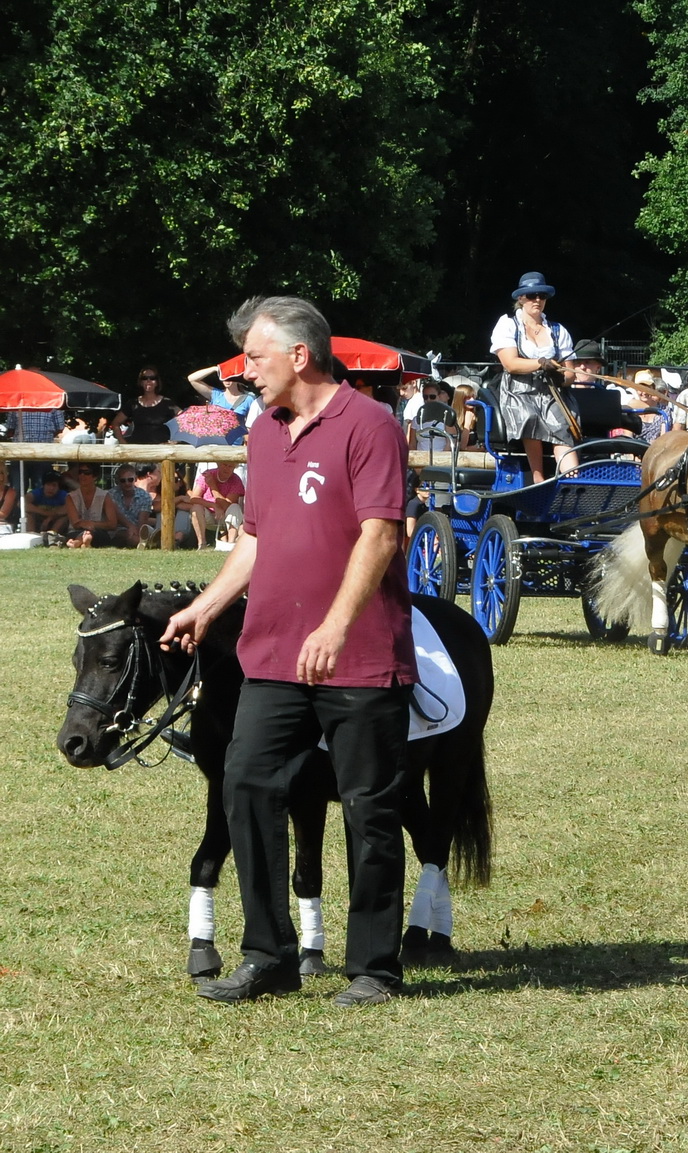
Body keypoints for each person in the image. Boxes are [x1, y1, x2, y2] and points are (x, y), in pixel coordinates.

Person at [162, 295, 415, 1007]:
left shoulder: (370, 425)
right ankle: (267, 953)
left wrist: (334, 626)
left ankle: (373, 966)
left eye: (257, 357)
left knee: (369, 807)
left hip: (357, 653)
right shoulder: (264, 433)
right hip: (269, 653)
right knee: (245, 783)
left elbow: (381, 535)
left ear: (300, 355)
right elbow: (256, 536)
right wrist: (207, 608)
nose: (245, 372)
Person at [489, 271, 580, 482]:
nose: (537, 300)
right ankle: (538, 479)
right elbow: (510, 363)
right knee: (530, 416)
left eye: (542, 295)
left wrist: (560, 378)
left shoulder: (558, 331)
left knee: (561, 424)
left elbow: (570, 374)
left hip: (553, 393)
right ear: (521, 299)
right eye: (531, 296)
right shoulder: (509, 325)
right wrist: (540, 363)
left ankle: (573, 481)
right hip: (519, 391)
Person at [177, 460, 245, 549]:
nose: (227, 468)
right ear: (219, 464)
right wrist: (213, 505)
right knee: (196, 508)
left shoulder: (236, 480)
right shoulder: (207, 475)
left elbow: (227, 505)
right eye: (225, 464)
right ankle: (202, 544)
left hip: (226, 516)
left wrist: (213, 487)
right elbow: (194, 498)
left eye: (230, 466)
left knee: (235, 507)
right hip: (208, 514)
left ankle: (230, 543)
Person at [64, 464, 120, 548]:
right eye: (80, 472)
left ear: (95, 476)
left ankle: (78, 542)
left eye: (87, 473)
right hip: (75, 532)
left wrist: (92, 524)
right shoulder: (70, 497)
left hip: (98, 532)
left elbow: (112, 524)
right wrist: (87, 527)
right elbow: (75, 523)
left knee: (93, 533)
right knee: (84, 533)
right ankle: (85, 541)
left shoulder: (105, 496)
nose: (82, 475)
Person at [124, 366, 180, 445]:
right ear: (140, 382)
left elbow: (184, 419)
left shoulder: (167, 403)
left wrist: (176, 440)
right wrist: (123, 444)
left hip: (161, 451)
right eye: (144, 378)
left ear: (157, 382)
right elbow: (116, 423)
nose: (148, 380)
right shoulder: (133, 403)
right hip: (137, 451)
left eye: (152, 378)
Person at [187, 364, 258, 423]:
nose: (226, 380)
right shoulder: (216, 395)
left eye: (230, 377)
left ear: (237, 379)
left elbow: (254, 423)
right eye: (224, 377)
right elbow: (192, 379)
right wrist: (215, 368)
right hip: (214, 438)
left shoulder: (248, 399)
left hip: (238, 439)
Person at [109, 465, 157, 546]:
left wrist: (136, 531)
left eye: (130, 480)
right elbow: (115, 515)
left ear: (135, 478)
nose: (127, 483)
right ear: (118, 481)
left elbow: (142, 521)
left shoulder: (144, 496)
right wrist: (130, 527)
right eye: (123, 480)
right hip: (116, 531)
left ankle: (143, 543)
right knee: (129, 535)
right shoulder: (111, 494)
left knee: (135, 536)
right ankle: (148, 544)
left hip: (138, 530)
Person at [26, 471, 69, 535]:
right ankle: (31, 535)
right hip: (38, 522)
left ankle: (52, 536)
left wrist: (50, 517)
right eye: (48, 484)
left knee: (64, 517)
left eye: (54, 485)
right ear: (43, 485)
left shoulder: (63, 495)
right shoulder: (37, 493)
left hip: (54, 522)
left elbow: (69, 508)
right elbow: (22, 503)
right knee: (28, 514)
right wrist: (45, 513)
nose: (51, 488)